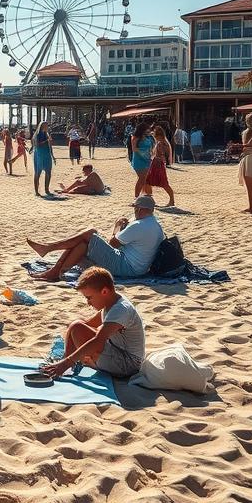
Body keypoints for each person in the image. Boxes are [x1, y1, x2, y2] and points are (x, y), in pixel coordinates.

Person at [26, 194, 164, 282]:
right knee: (82, 245)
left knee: (90, 233)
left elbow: (113, 243)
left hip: (126, 267)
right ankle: (55, 272)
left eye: (135, 208)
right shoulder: (155, 224)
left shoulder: (139, 225)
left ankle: (49, 248)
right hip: (135, 267)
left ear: (139, 209)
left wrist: (117, 226)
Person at [41, 267, 145, 379]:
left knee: (79, 329)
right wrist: (67, 357)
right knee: (76, 325)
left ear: (104, 291)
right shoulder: (111, 300)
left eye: (89, 298)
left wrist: (67, 362)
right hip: (117, 352)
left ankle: (66, 367)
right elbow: (86, 324)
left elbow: (98, 340)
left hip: (128, 365)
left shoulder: (120, 309)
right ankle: (67, 366)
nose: (88, 303)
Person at [145, 125, 175, 207]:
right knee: (149, 181)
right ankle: (151, 200)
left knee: (163, 183)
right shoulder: (162, 142)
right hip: (157, 164)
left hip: (158, 164)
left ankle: (171, 200)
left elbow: (162, 155)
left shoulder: (162, 143)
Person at [32, 121, 55, 196]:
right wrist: (47, 141)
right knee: (37, 172)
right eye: (46, 125)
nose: (47, 127)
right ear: (42, 126)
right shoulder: (38, 134)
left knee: (48, 172)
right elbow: (37, 144)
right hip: (40, 154)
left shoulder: (46, 134)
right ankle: (36, 191)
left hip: (46, 153)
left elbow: (50, 146)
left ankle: (47, 189)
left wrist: (52, 155)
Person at [239, 112, 252, 214]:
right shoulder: (245, 132)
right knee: (249, 184)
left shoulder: (247, 132)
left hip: (251, 157)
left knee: (250, 184)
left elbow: (248, 145)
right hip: (247, 157)